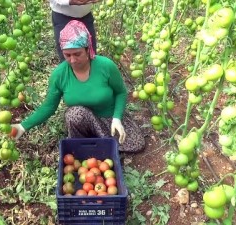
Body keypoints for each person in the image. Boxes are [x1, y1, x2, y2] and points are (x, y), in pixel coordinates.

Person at [12, 20, 145, 152]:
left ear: (88, 49)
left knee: (136, 144)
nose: (73, 60)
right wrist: (23, 127)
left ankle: (97, 141)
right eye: (67, 55)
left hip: (109, 119)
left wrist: (117, 118)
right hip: (82, 122)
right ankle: (87, 143)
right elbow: (49, 106)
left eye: (77, 54)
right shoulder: (60, 74)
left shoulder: (106, 66)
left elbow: (121, 92)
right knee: (74, 114)